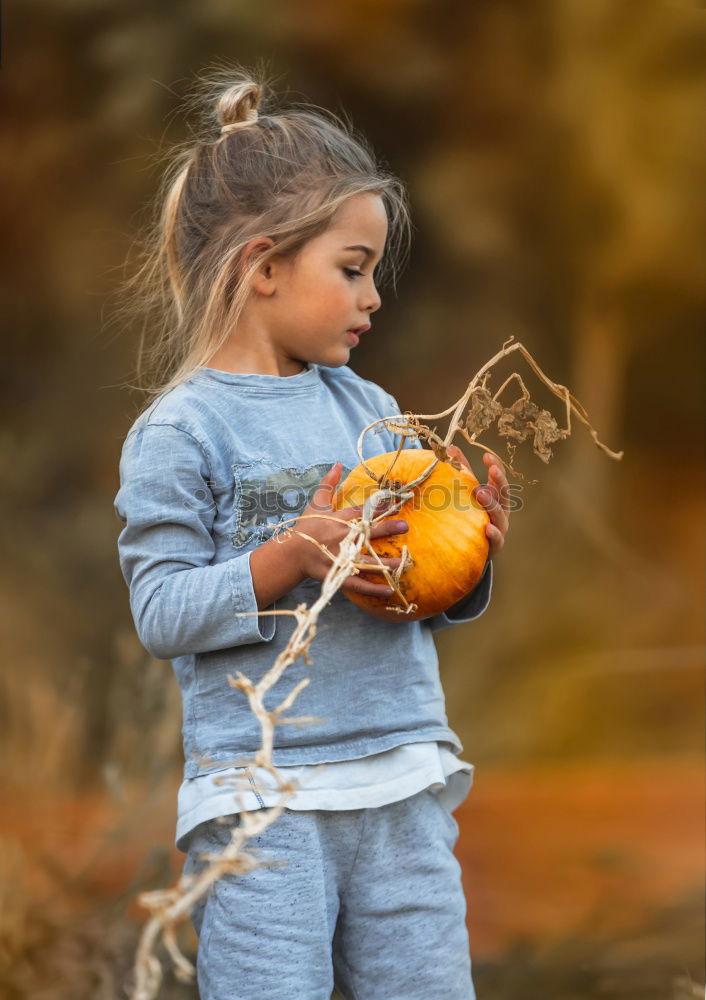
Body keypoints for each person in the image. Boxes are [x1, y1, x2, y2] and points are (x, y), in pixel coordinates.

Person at [113, 67, 510, 1000]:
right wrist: (290, 554)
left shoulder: (370, 409)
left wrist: (472, 554)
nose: (373, 298)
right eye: (352, 269)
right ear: (262, 267)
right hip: (264, 801)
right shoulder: (182, 432)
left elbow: (414, 580)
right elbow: (162, 610)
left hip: (402, 779)